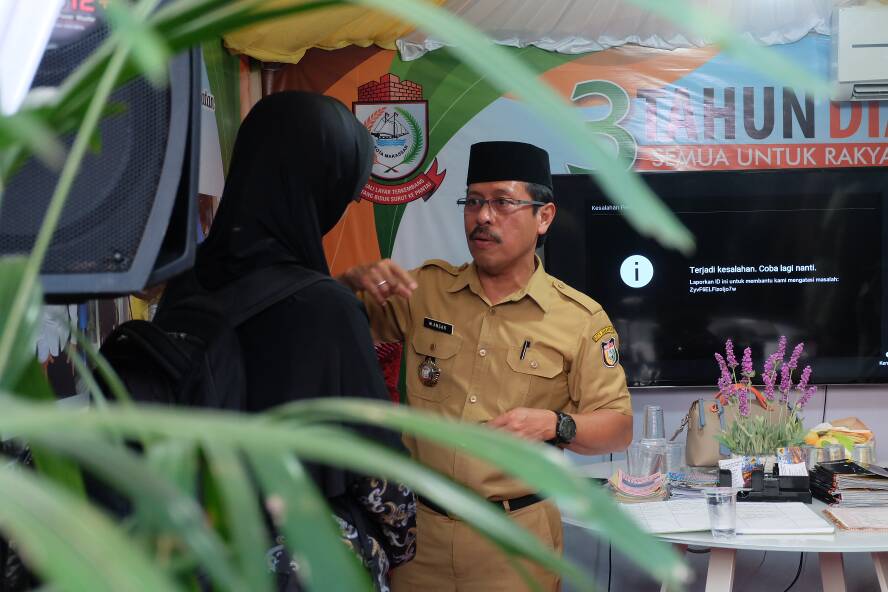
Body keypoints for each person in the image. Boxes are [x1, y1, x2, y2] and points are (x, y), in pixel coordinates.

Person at [338, 140, 633, 591]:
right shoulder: (424, 290)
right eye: (473, 201)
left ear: (544, 217)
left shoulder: (579, 318)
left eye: (502, 202)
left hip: (516, 541)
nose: (483, 217)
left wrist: (554, 424)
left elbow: (618, 426)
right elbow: (329, 326)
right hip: (420, 537)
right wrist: (348, 282)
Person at [188, 91, 416, 591]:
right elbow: (379, 477)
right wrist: (397, 546)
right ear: (317, 189)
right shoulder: (326, 311)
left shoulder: (185, 287)